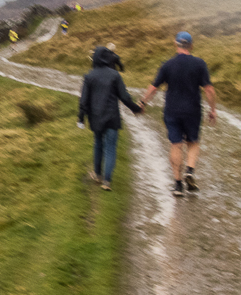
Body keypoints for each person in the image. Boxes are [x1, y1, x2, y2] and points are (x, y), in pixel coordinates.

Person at [140, 31, 217, 197]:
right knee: (193, 142)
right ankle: (190, 170)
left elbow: (154, 87)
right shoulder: (199, 64)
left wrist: (143, 102)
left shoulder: (167, 65)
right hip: (192, 110)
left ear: (176, 44)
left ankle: (177, 184)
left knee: (176, 144)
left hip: (172, 110)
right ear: (191, 45)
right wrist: (212, 110)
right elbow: (209, 89)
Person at [78, 45, 144, 191]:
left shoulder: (89, 76)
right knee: (110, 148)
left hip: (95, 117)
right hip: (112, 117)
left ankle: (97, 174)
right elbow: (125, 97)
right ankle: (107, 181)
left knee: (98, 144)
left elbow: (84, 100)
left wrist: (81, 118)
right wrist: (136, 109)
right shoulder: (115, 75)